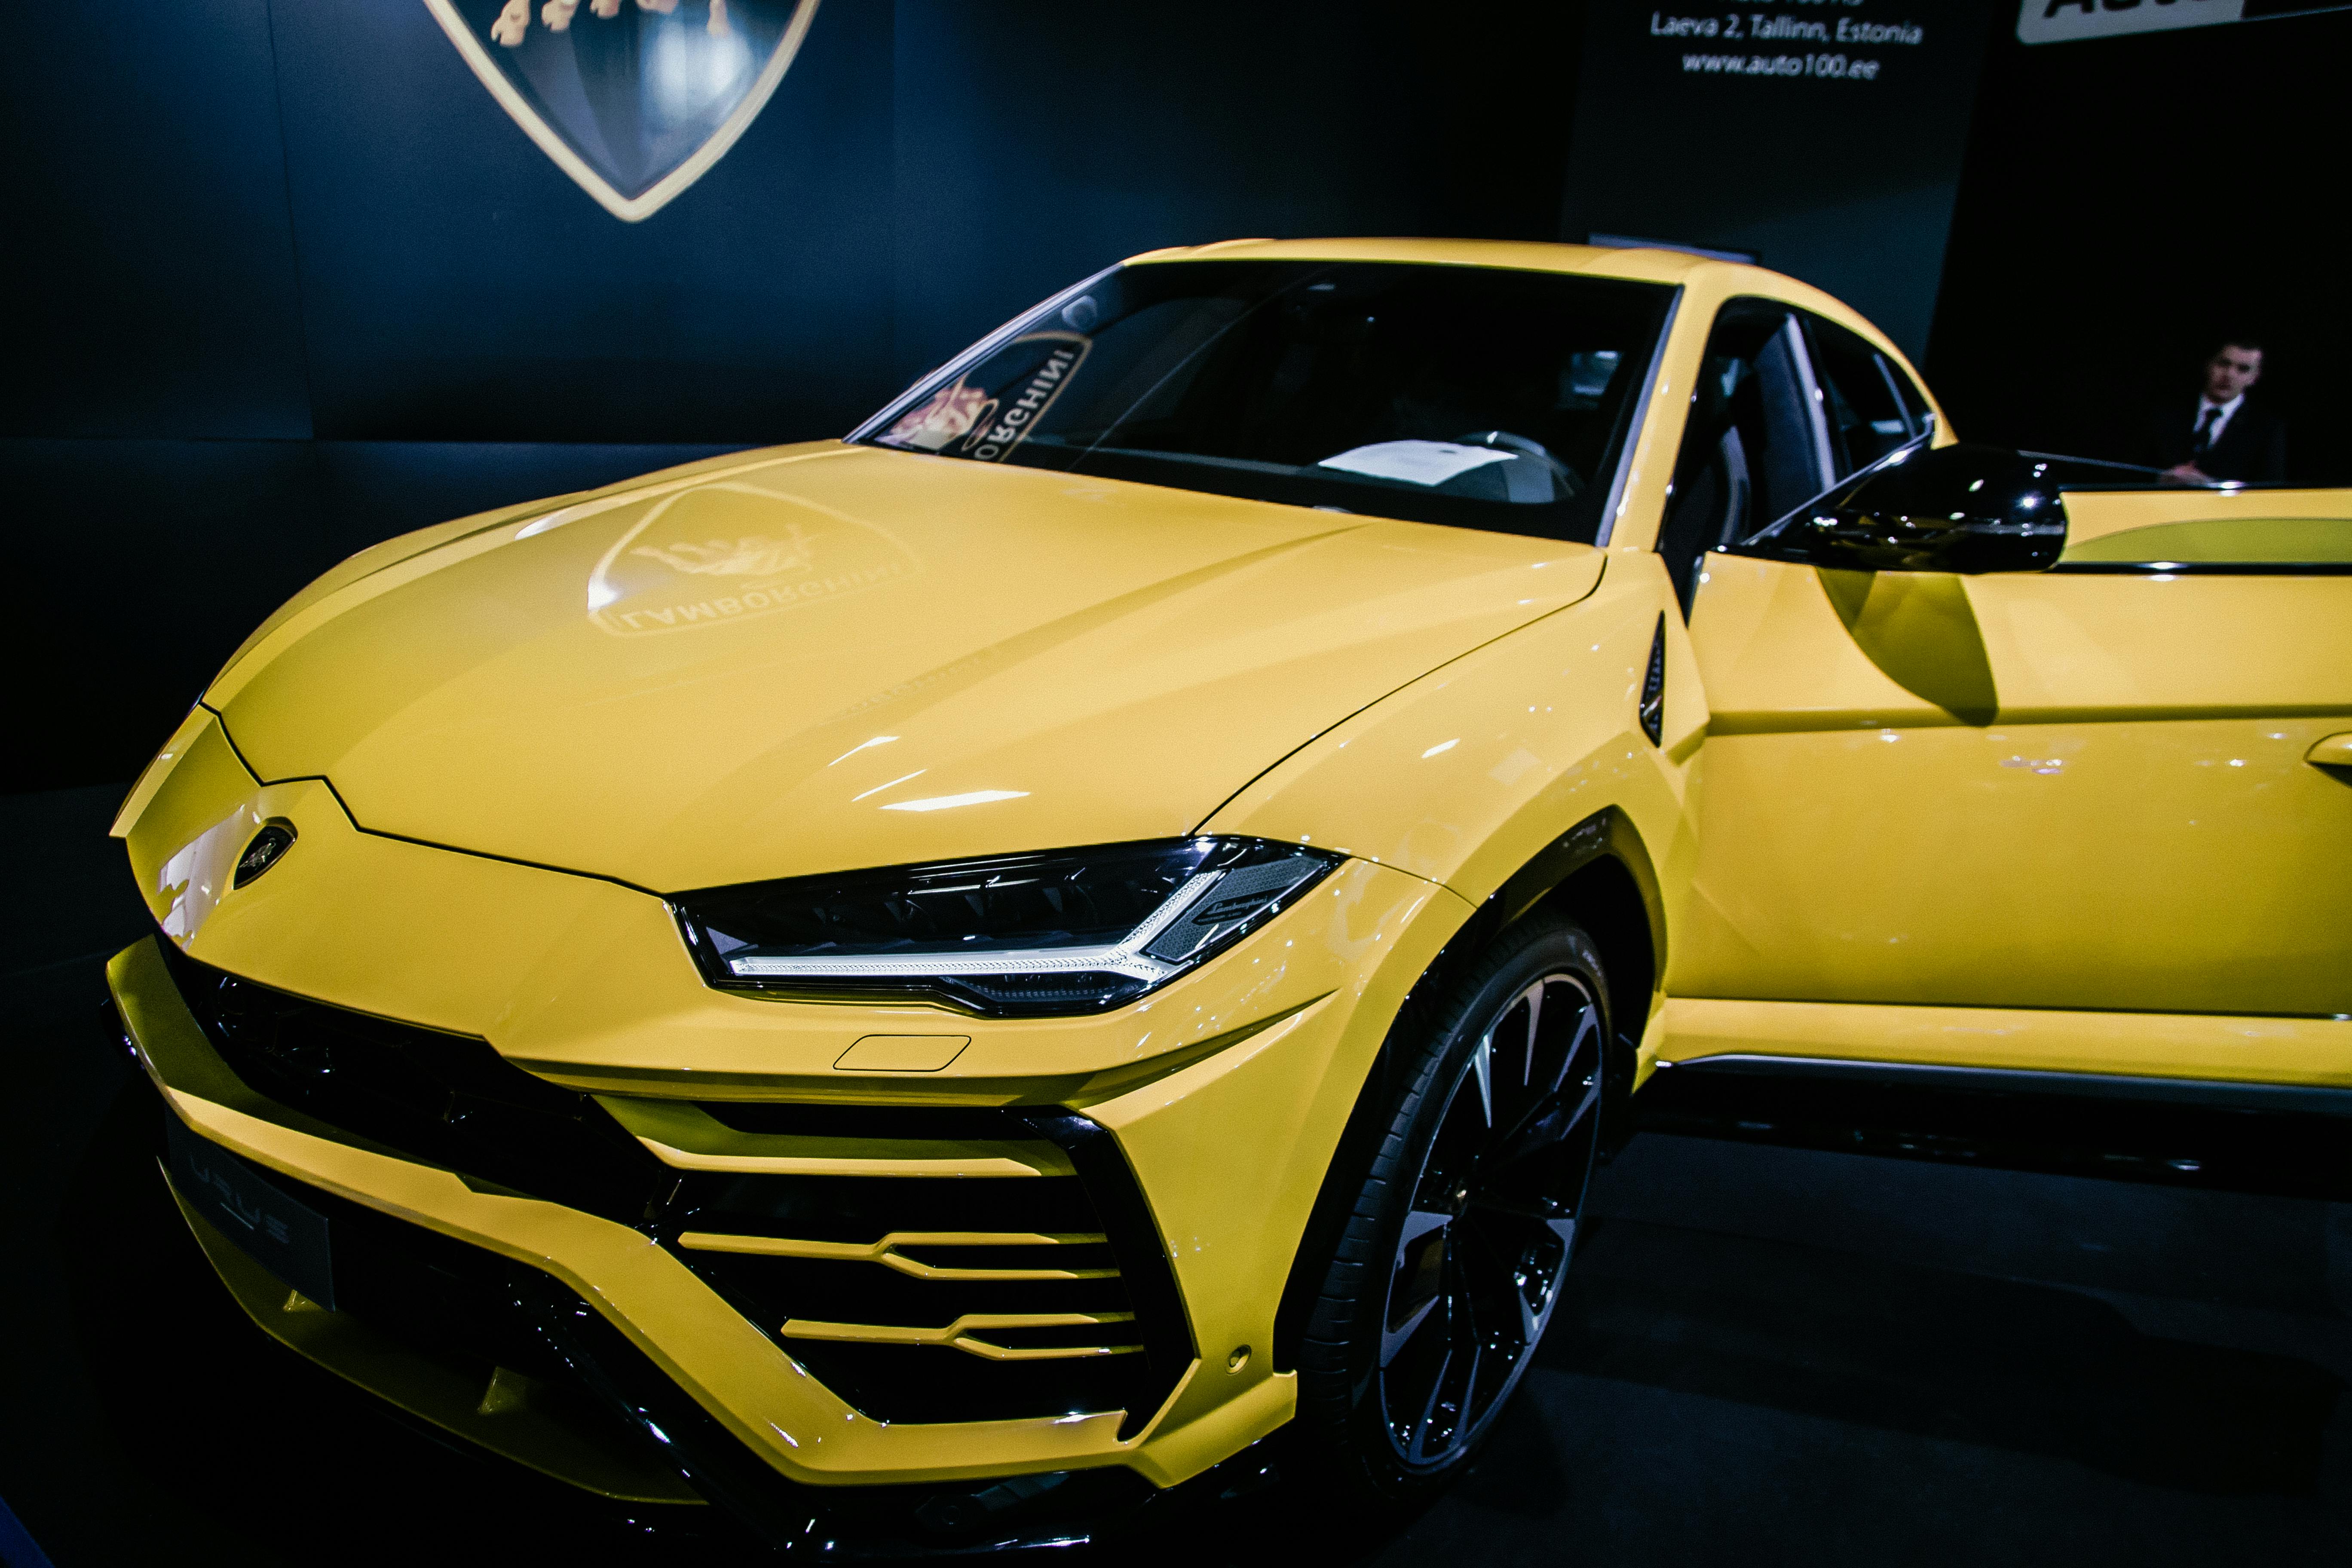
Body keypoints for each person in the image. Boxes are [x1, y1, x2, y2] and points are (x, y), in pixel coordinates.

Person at [2145, 338, 2287, 483]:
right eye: (2224, 364)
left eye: (2243, 369)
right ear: (2209, 365)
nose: (2229, 375)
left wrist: (2210, 486)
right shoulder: (2165, 413)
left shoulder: (2267, 428)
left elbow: (2269, 489)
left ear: (2254, 378)